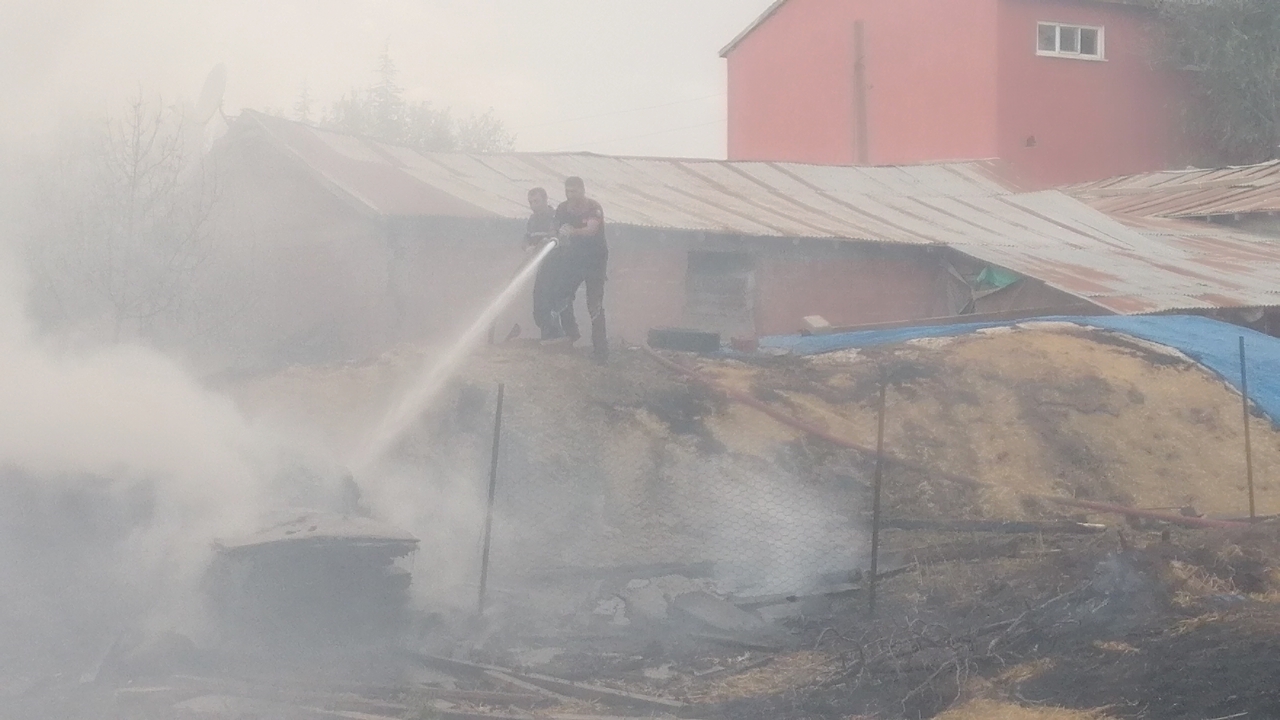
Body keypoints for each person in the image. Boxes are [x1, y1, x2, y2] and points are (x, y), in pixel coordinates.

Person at [554, 176, 609, 364]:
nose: (570, 195)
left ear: (582, 190)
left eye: (574, 191)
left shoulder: (594, 208)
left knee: (594, 305)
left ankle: (601, 351)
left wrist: (572, 232)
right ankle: (571, 334)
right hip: (572, 260)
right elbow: (556, 230)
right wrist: (558, 236)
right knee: (561, 296)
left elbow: (591, 230)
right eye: (567, 191)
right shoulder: (562, 209)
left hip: (595, 262)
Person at [524, 187, 574, 342]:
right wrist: (528, 247)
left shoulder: (556, 217)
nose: (533, 205)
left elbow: (566, 240)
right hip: (543, 268)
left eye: (536, 201)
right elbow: (526, 239)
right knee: (539, 303)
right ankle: (547, 337)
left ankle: (559, 336)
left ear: (546, 200)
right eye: (531, 202)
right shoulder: (532, 221)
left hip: (558, 267)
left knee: (553, 303)